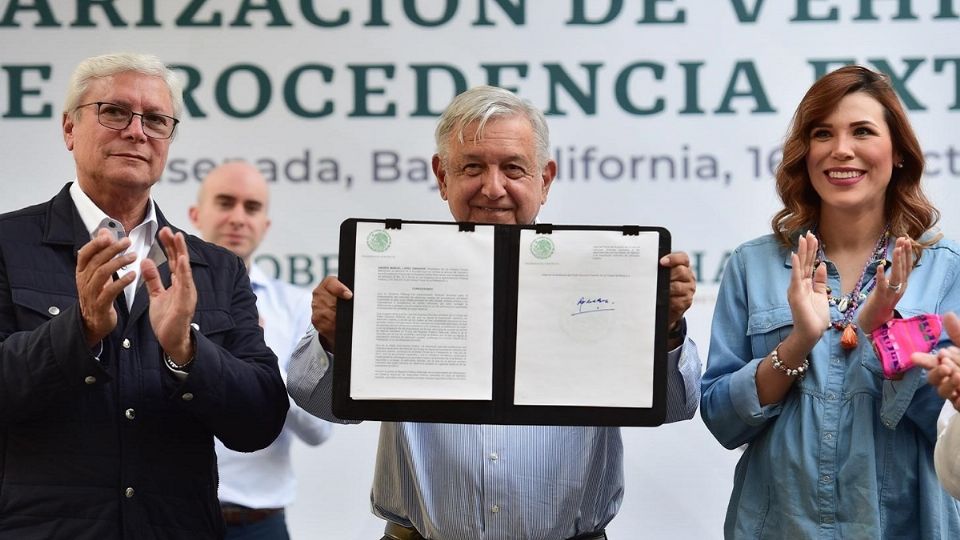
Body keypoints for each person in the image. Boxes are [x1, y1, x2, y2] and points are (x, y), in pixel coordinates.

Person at [287, 85, 702, 540]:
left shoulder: (606, 275)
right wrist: (330, 338)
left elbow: (678, 405)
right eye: (472, 167)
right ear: (441, 176)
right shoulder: (389, 272)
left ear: (545, 179)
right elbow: (321, 405)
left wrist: (665, 332)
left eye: (513, 168)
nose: (493, 187)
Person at [0, 53, 289, 538]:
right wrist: (80, 331)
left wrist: (188, 353)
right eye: (114, 112)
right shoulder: (9, 245)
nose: (137, 131)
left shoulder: (215, 267)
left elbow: (260, 421)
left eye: (156, 120)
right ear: (70, 129)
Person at [701, 65, 960, 538]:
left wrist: (883, 331)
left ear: (898, 152)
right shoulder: (751, 264)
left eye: (862, 131)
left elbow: (947, 430)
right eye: (823, 134)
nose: (841, 150)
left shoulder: (946, 269)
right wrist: (799, 341)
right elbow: (722, 420)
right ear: (806, 153)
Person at [189, 161, 332, 539]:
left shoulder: (298, 307)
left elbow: (319, 430)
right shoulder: (159, 300)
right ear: (195, 214)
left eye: (251, 207)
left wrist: (261, 355)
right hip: (171, 515)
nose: (238, 218)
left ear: (265, 225)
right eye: (225, 203)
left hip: (259, 525)